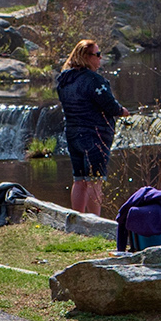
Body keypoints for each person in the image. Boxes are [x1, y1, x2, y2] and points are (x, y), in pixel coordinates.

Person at [56, 39, 129, 215]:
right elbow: (110, 106)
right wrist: (122, 111)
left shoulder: (64, 79)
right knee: (95, 181)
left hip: (73, 134)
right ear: (86, 57)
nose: (100, 58)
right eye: (97, 54)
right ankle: (96, 223)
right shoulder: (95, 80)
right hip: (95, 135)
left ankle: (78, 220)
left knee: (79, 180)